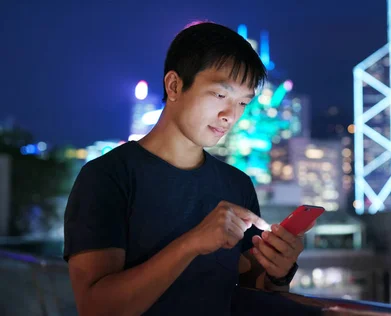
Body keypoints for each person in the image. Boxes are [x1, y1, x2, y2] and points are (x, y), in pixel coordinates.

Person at [63, 22, 313, 315]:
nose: (230, 116)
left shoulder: (237, 185)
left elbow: (251, 293)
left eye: (243, 103)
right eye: (220, 95)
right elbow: (95, 308)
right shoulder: (108, 177)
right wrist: (192, 243)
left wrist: (278, 270)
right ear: (174, 85)